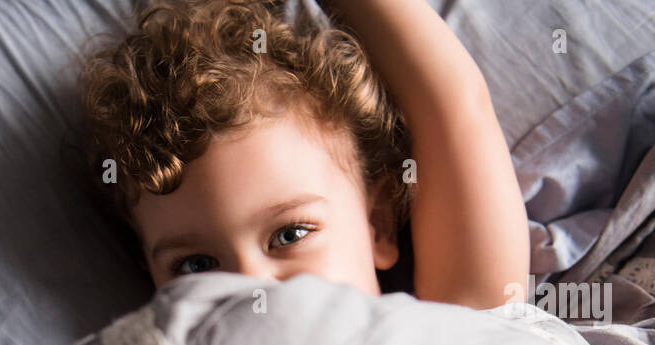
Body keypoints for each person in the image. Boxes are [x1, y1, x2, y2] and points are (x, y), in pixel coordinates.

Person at [78, 0, 530, 309]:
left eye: (291, 234)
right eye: (195, 266)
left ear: (377, 226)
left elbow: (450, 107)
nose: (251, 289)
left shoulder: (459, 333)